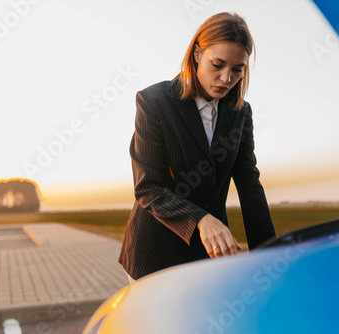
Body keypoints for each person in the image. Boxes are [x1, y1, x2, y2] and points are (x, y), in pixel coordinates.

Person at [118, 12, 276, 283]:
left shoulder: (240, 113)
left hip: (210, 257)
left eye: (238, 69)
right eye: (218, 64)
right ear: (196, 54)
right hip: (154, 256)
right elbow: (148, 188)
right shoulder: (153, 102)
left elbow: (249, 184)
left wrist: (272, 257)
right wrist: (201, 220)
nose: (227, 78)